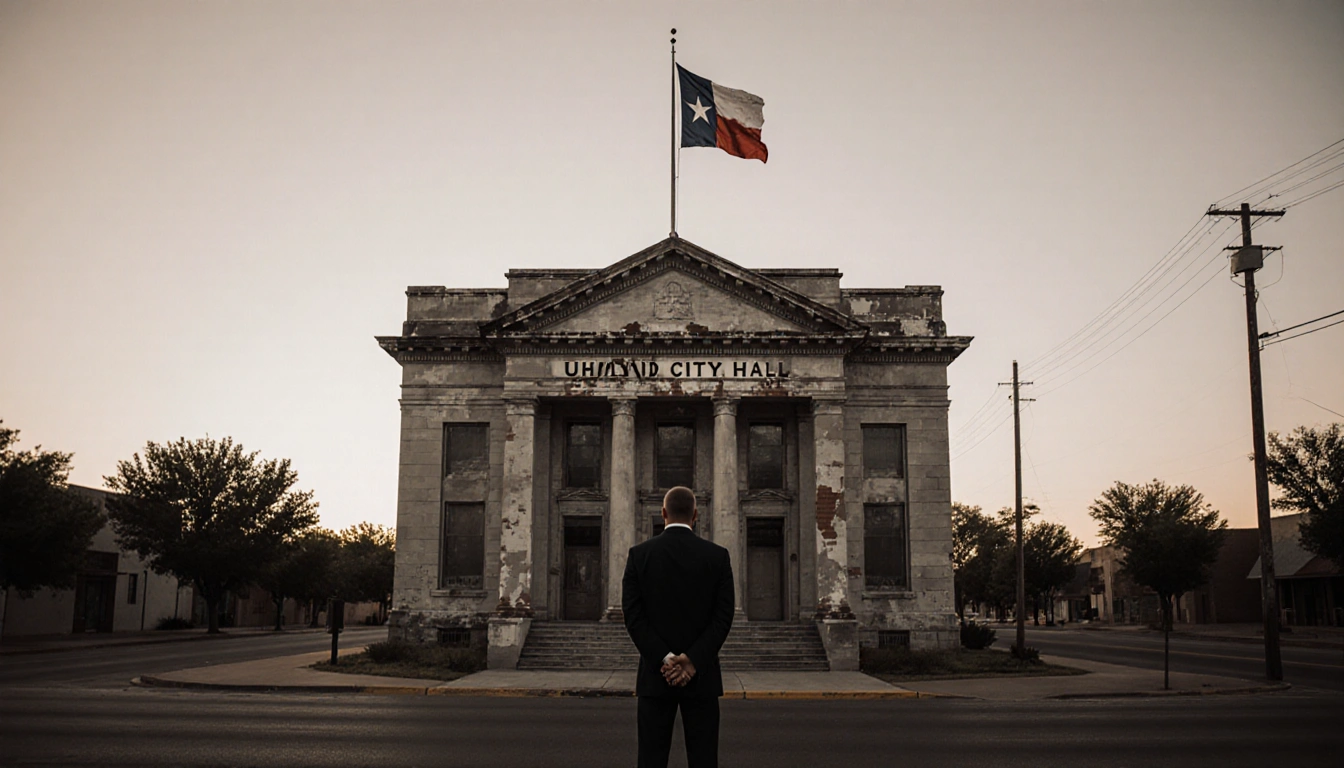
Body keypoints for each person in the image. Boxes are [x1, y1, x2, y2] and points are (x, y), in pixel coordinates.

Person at [622, 485, 735, 768]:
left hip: (655, 676)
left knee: (651, 760)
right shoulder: (717, 557)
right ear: (696, 515)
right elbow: (723, 618)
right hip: (702, 678)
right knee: (703, 760)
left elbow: (633, 617)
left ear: (663, 514)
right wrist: (692, 660)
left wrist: (665, 658)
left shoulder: (639, 555)